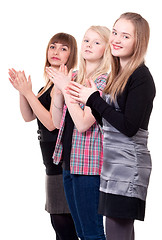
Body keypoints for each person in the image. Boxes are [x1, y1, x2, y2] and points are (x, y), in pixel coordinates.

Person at [67, 13, 156, 240]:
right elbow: (109, 119)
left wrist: (94, 99)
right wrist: (89, 99)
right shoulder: (119, 75)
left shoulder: (141, 77)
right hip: (112, 166)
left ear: (139, 42)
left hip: (128, 167)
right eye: (115, 32)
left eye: (125, 36)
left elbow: (128, 127)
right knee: (117, 233)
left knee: (117, 233)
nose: (116, 39)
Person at [8, 32, 78, 240]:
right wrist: (23, 91)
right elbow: (28, 116)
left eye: (63, 48)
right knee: (59, 222)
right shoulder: (46, 86)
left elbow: (51, 123)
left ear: (71, 55)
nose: (56, 52)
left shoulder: (66, 83)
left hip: (64, 160)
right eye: (53, 47)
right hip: (50, 161)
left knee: (63, 222)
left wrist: (29, 93)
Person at [46, 26, 111, 240]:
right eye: (86, 41)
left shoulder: (105, 82)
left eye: (96, 42)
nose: (89, 46)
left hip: (89, 166)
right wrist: (58, 93)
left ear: (106, 49)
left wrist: (65, 89)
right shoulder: (72, 75)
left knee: (92, 232)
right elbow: (57, 122)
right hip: (68, 161)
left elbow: (83, 124)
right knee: (81, 232)